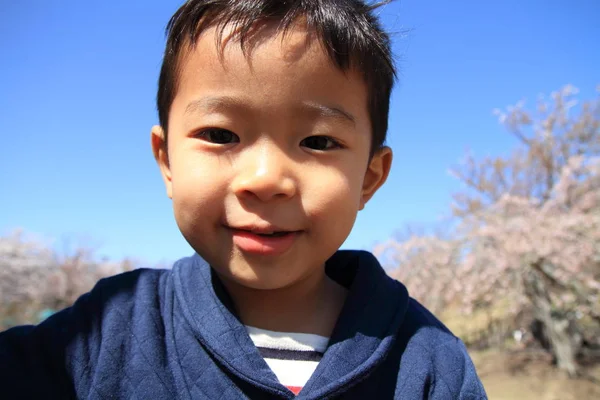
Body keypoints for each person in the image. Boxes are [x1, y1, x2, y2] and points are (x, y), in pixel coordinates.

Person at [0, 0, 487, 398]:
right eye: (219, 133)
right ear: (166, 159)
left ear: (369, 178)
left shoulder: (427, 362)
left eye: (317, 142)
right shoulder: (104, 333)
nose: (265, 178)